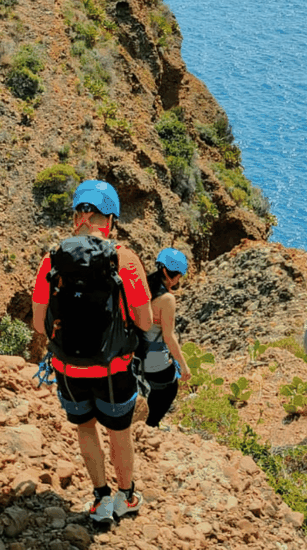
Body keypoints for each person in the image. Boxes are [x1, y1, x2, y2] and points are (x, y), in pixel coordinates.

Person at [31, 180, 153, 524]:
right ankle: (125, 497)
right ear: (109, 220)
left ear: (76, 218)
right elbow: (144, 322)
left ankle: (100, 499)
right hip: (113, 369)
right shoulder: (125, 260)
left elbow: (39, 323)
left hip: (68, 368)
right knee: (119, 432)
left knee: (85, 428)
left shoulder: (51, 260)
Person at [135, 247, 193, 428]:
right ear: (169, 274)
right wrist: (184, 366)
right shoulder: (167, 299)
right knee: (168, 390)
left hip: (134, 352)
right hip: (153, 359)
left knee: (148, 390)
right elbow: (168, 336)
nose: (178, 280)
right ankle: (149, 426)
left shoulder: (142, 285)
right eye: (178, 276)